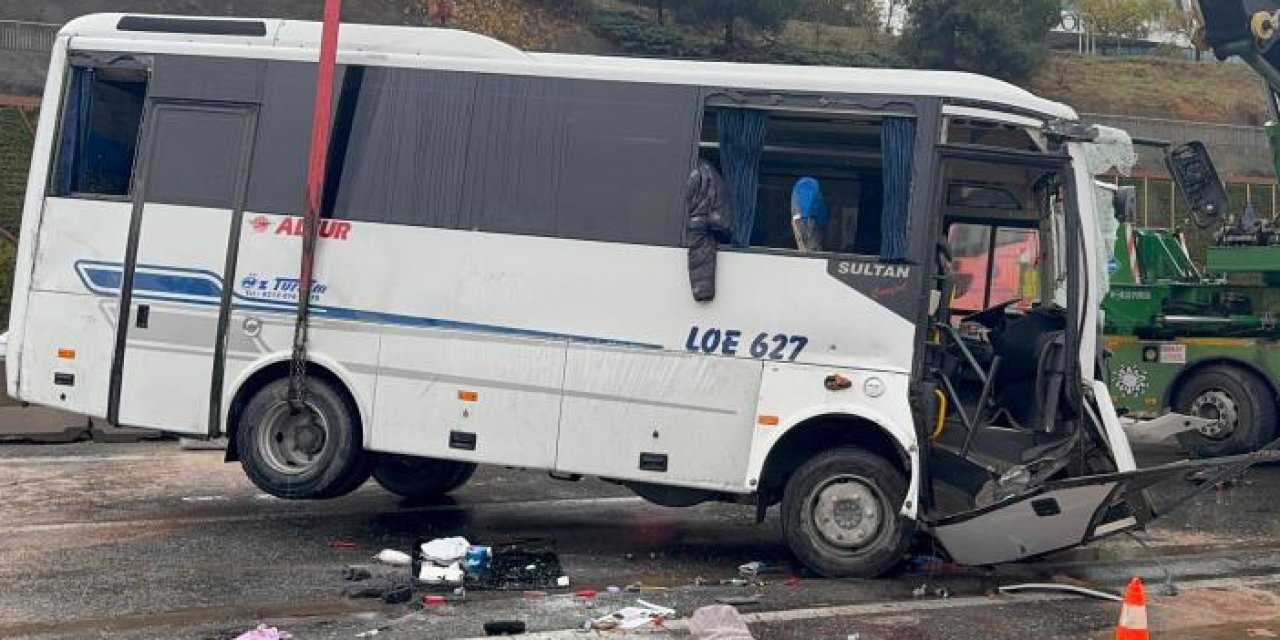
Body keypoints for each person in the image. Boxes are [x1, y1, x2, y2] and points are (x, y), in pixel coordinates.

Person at [791, 177, 829, 252]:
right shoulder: (817, 193)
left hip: (798, 218)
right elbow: (822, 217)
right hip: (811, 219)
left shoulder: (798, 190)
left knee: (804, 247)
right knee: (812, 249)